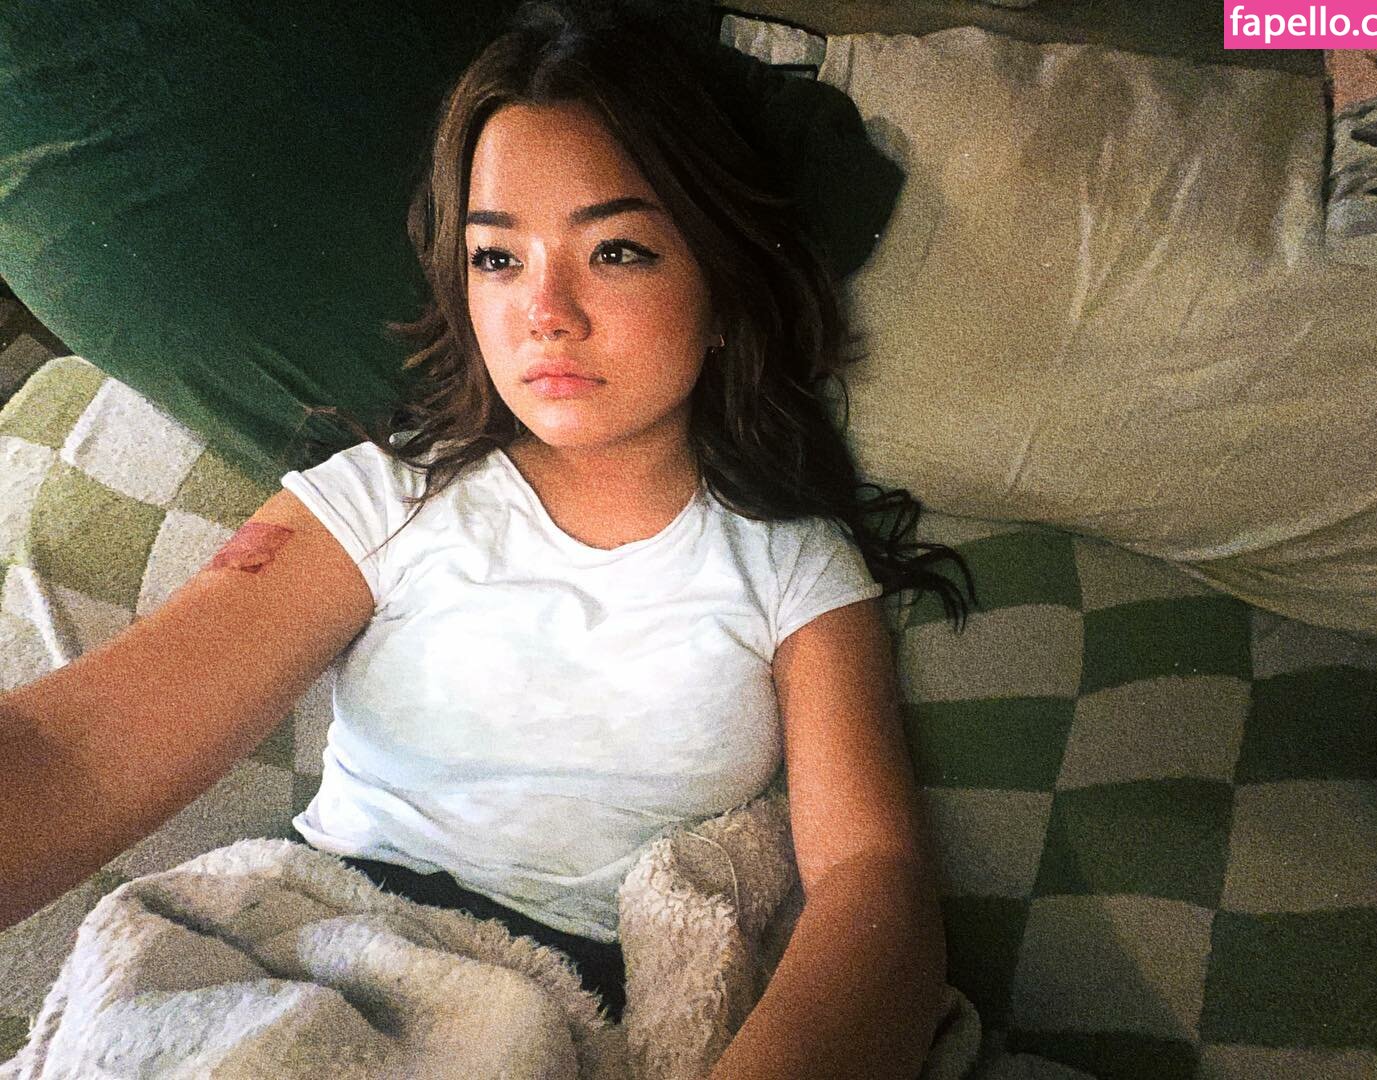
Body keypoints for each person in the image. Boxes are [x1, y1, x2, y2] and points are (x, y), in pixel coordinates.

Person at [0, 2, 973, 1076]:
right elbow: (78, 751)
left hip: (569, 1012)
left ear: (724, 284)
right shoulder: (383, 497)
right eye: (498, 258)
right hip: (310, 954)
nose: (544, 310)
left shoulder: (793, 566)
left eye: (616, 250)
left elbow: (871, 886)